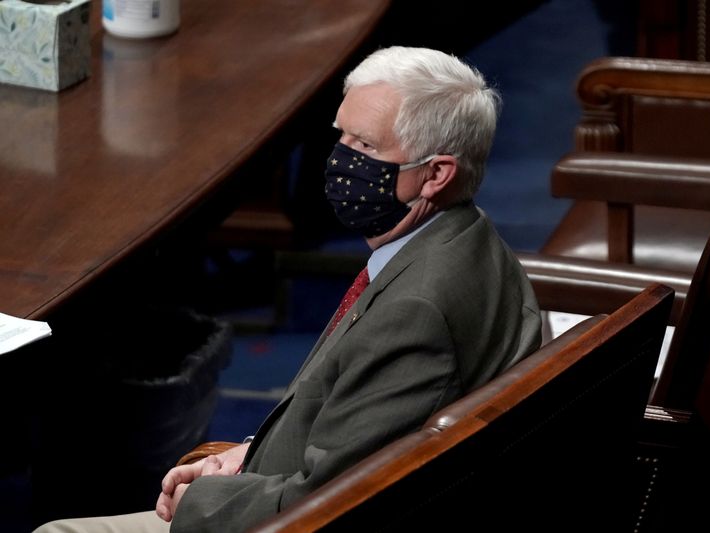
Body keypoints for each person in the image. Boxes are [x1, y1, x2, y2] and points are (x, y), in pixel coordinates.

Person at [35, 45, 542, 532]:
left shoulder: (416, 311)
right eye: (341, 137)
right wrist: (250, 453)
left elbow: (328, 504)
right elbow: (359, 428)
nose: (341, 161)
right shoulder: (469, 240)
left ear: (435, 174)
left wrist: (204, 503)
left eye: (365, 146)